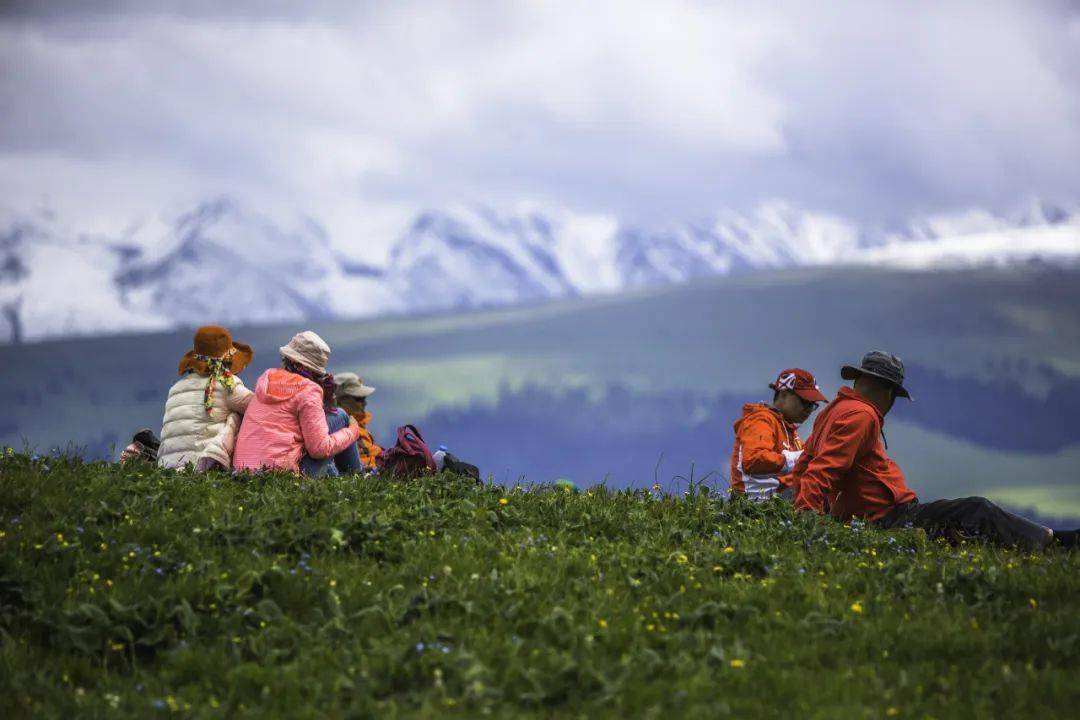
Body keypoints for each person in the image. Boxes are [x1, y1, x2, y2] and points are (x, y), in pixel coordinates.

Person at [792, 351, 1079, 550]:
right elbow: (824, 469)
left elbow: (805, 465)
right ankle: (1053, 544)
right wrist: (808, 521)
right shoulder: (862, 416)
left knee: (962, 524)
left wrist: (812, 515)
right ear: (887, 391)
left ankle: (1043, 541)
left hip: (871, 518)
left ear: (858, 381)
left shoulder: (831, 411)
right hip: (887, 518)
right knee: (976, 510)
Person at [232, 331, 360, 475]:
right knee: (341, 416)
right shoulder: (308, 390)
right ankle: (357, 476)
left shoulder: (267, 378)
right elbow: (319, 448)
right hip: (280, 475)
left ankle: (342, 477)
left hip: (242, 471)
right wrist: (352, 432)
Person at [158, 325, 254, 471]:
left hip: (167, 470)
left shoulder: (176, 388)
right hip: (203, 469)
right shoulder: (227, 384)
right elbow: (259, 408)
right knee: (238, 415)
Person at [729, 368, 827, 501]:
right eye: (805, 402)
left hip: (774, 503)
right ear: (784, 394)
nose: (809, 410)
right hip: (750, 506)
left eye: (812, 405)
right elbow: (753, 459)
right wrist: (799, 458)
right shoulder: (761, 420)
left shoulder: (789, 429)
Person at [333, 372, 383, 471]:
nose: (364, 403)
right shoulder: (346, 429)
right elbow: (367, 462)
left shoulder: (357, 426)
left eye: (364, 398)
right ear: (338, 401)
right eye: (358, 398)